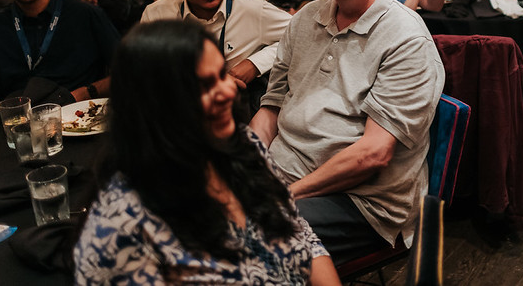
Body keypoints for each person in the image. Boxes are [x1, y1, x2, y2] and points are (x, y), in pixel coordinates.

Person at [74, 20, 339, 284]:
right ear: (153, 105)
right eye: (202, 86)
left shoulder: (242, 145)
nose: (226, 91)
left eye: (222, 75)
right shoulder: (123, 226)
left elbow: (302, 234)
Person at [250, 0, 445, 265]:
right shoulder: (306, 18)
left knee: (244, 236)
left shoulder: (406, 38)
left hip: (361, 201)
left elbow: (373, 154)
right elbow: (271, 107)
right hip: (284, 174)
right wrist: (245, 162)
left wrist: (284, 195)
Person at [141, 0, 291, 115]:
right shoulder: (156, 15)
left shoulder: (254, 11)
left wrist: (254, 64)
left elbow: (301, 34)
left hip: (230, 115)